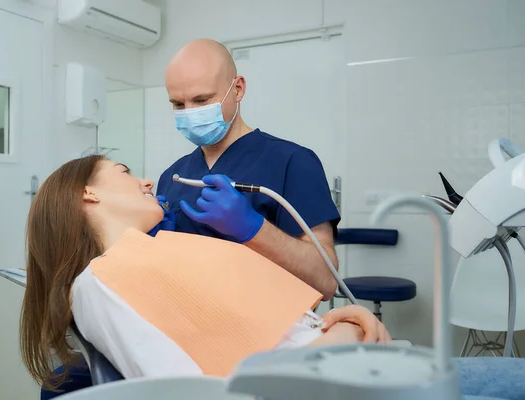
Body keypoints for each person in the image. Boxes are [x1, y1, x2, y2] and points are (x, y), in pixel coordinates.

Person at [21, 155, 391, 396]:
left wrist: (338, 323)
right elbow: (196, 392)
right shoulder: (97, 284)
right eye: (125, 171)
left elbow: (254, 339)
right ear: (88, 193)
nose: (148, 181)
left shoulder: (146, 259)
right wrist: (341, 338)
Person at [157, 39, 341, 299]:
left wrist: (254, 229)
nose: (190, 114)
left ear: (238, 89)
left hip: (271, 332)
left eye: (202, 100)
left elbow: (326, 282)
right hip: (190, 324)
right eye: (178, 104)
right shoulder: (173, 176)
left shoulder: (293, 162)